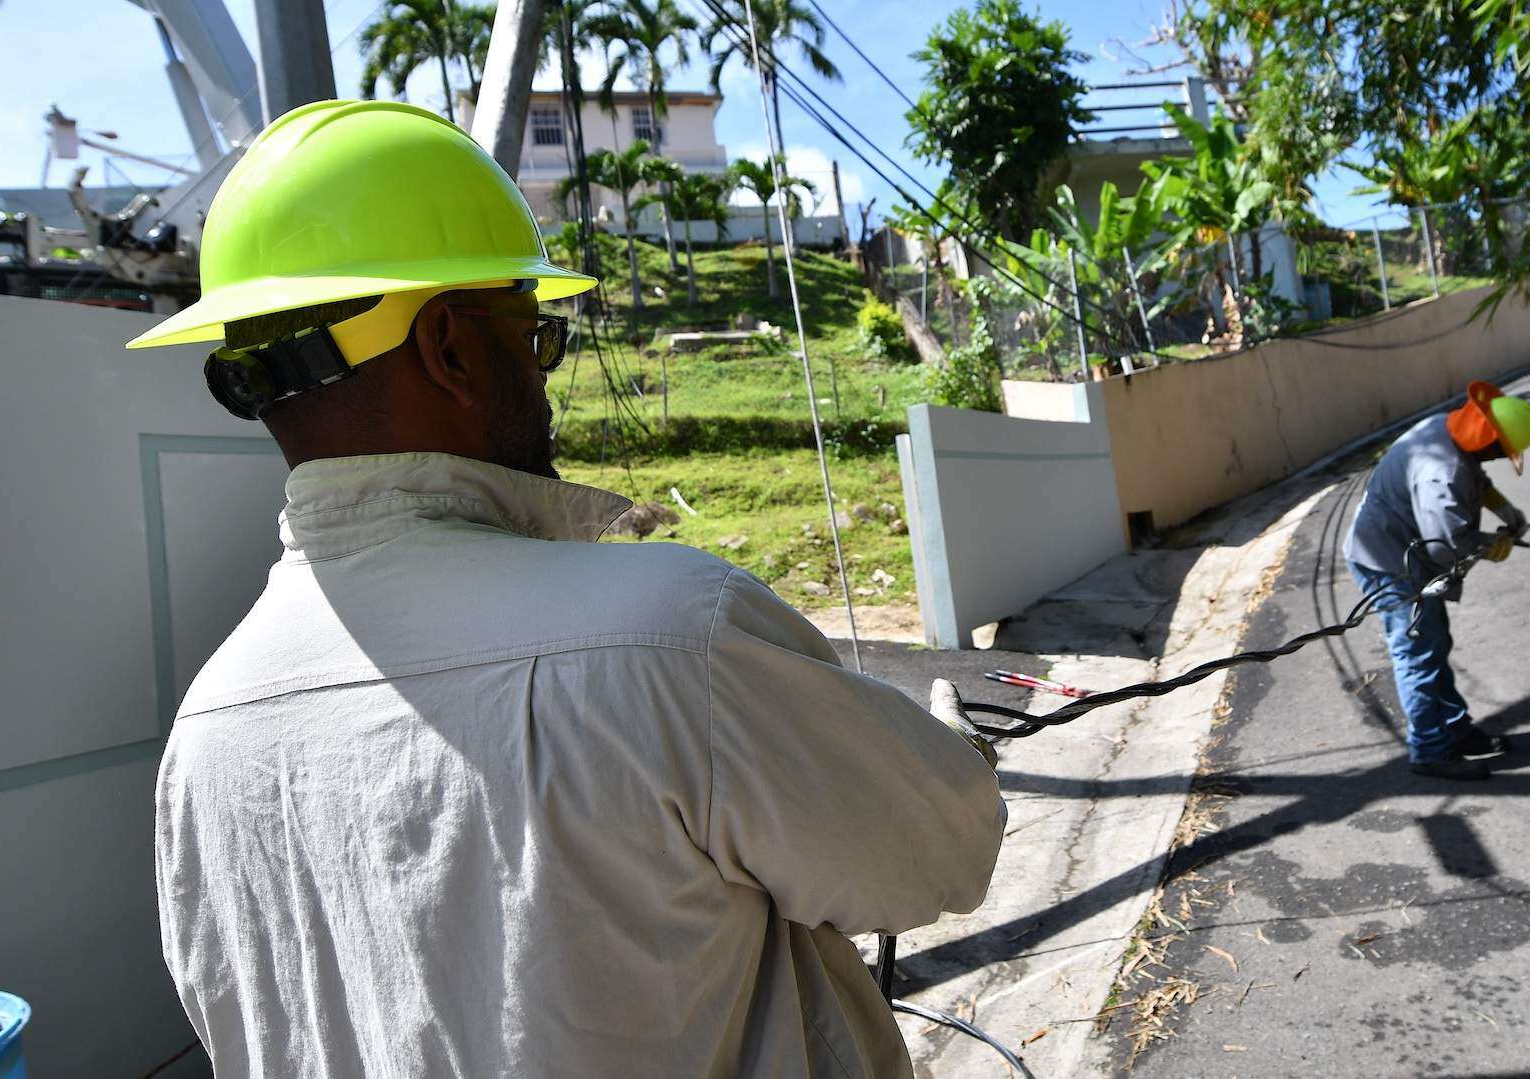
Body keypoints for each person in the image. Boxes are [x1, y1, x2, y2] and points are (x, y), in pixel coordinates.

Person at [129, 100, 1005, 1077]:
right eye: (532, 336)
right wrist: (945, 748)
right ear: (450, 346)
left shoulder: (202, 741)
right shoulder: (670, 634)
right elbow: (943, 847)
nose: (544, 378)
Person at [1341, 380, 1530, 781]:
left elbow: (1474, 476)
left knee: (1434, 644)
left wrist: (1504, 508)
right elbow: (1446, 547)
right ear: (1488, 441)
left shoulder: (1448, 430)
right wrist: (1492, 545)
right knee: (1418, 654)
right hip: (1388, 562)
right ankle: (1430, 752)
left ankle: (1455, 730)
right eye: (1501, 453)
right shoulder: (1441, 470)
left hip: (1404, 551)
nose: (1499, 460)